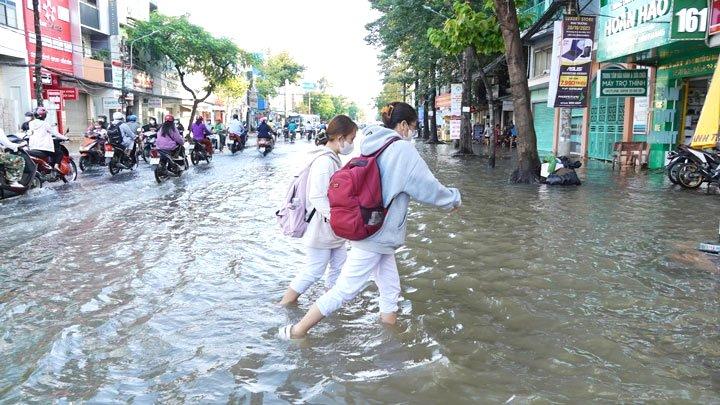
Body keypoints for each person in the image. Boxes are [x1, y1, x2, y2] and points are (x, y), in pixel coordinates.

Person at [279, 102, 462, 340]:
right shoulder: (402, 149)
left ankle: (390, 338)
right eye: (414, 126)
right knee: (345, 289)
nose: (414, 132)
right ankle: (296, 331)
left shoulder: (373, 145)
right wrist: (453, 200)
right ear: (404, 125)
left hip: (373, 228)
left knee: (390, 289)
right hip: (378, 234)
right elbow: (427, 187)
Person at [278, 115, 358, 307]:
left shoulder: (331, 158)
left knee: (339, 268)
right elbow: (317, 196)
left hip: (331, 228)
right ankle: (284, 304)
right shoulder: (325, 161)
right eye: (351, 139)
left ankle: (331, 307)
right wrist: (337, 219)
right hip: (321, 227)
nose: (352, 144)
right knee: (314, 270)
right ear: (340, 138)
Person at [26, 107, 68, 172]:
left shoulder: (30, 123)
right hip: (45, 149)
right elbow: (55, 133)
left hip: (33, 147)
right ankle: (56, 166)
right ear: (44, 115)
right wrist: (66, 138)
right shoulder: (45, 124)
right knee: (59, 153)